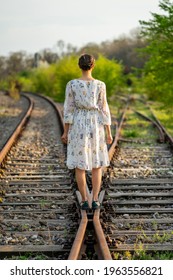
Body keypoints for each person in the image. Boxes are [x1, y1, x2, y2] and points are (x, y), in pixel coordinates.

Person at [61, 54, 113, 210]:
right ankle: (95, 199)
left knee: (80, 164)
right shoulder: (100, 85)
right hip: (95, 124)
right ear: (93, 66)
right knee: (97, 164)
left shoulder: (71, 84)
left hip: (78, 123)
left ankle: (84, 200)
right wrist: (108, 131)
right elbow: (104, 110)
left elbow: (68, 109)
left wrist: (65, 132)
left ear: (79, 66)